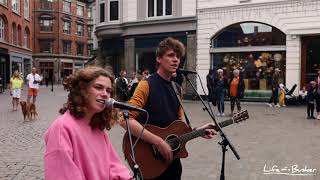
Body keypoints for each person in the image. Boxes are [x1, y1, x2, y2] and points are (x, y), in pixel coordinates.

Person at [121, 37, 217, 180]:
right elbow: (125, 119)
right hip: (150, 159)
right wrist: (158, 142)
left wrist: (198, 131)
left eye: (178, 56)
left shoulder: (177, 88)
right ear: (159, 58)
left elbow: (177, 127)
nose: (176, 60)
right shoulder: (146, 85)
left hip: (172, 161)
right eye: (171, 55)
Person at [44, 66, 133, 180]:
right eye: (98, 87)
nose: (105, 94)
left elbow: (113, 166)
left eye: (108, 90)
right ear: (82, 89)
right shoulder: (62, 128)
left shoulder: (96, 128)